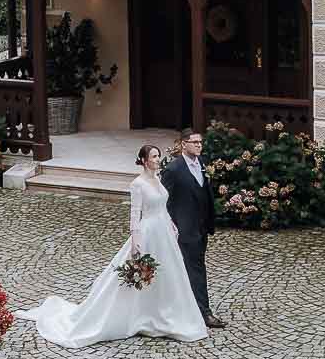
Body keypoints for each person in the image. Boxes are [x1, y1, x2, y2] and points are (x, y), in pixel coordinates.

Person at [15, 145, 207, 348]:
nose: (157, 159)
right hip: (149, 232)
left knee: (170, 273)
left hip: (164, 232)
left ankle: (164, 313)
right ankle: (137, 314)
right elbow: (135, 215)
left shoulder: (157, 179)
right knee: (143, 273)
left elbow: (162, 207)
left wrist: (171, 224)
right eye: (153, 156)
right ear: (144, 160)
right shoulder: (138, 184)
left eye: (158, 156)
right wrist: (136, 242)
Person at [160, 128, 227, 329]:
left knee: (193, 268)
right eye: (194, 142)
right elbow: (163, 200)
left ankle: (187, 309)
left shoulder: (202, 163)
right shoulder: (173, 170)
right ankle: (204, 313)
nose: (199, 145)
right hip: (185, 229)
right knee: (195, 269)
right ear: (183, 144)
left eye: (200, 142)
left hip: (201, 227)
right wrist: (173, 225)